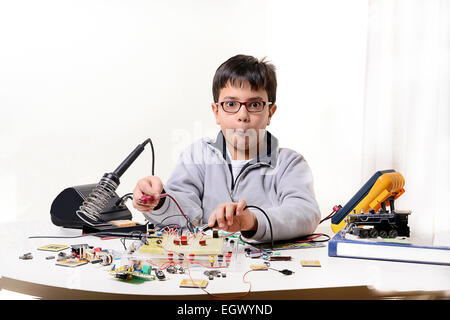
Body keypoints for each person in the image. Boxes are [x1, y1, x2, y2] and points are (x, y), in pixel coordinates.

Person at [132, 54, 320, 243]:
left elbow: (305, 213)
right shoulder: (197, 156)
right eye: (231, 104)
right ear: (216, 112)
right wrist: (159, 200)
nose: (243, 115)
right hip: (209, 266)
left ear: (270, 113)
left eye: (255, 104)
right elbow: (182, 213)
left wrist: (252, 222)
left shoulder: (289, 163)